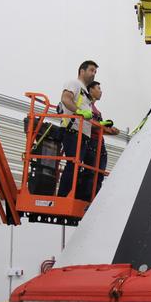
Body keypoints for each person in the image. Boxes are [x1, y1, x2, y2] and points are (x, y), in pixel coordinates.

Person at [57, 61, 120, 200]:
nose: (93, 74)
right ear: (82, 71)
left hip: (82, 134)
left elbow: (88, 119)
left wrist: (101, 124)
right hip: (72, 131)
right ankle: (62, 197)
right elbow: (65, 99)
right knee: (73, 165)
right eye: (91, 70)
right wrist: (79, 112)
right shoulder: (73, 83)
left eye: (95, 72)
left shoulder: (84, 92)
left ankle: (69, 196)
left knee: (77, 167)